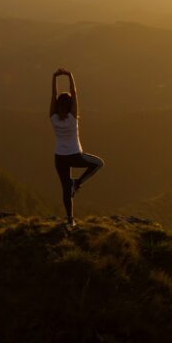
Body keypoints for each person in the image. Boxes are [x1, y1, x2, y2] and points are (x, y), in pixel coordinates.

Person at [50, 68, 104, 227]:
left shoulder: (53, 118)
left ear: (58, 105)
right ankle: (78, 183)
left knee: (65, 189)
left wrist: (54, 77)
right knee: (99, 163)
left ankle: (70, 219)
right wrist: (69, 75)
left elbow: (53, 95)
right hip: (75, 155)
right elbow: (74, 93)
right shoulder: (73, 118)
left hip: (59, 158)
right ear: (70, 105)